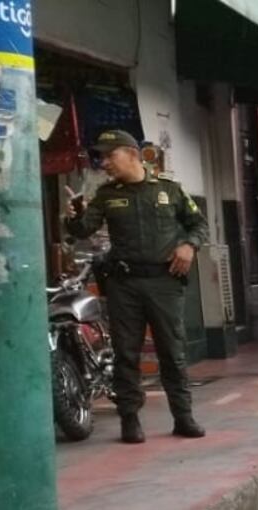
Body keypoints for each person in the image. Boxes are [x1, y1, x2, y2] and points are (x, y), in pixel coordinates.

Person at [64, 129, 207, 444]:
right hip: (124, 284)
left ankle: (183, 417)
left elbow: (198, 224)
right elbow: (83, 229)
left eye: (109, 155)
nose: (104, 163)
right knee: (126, 353)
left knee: (173, 350)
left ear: (131, 154)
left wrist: (189, 246)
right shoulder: (106, 194)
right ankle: (130, 420)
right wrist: (74, 216)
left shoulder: (169, 190)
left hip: (164, 283)